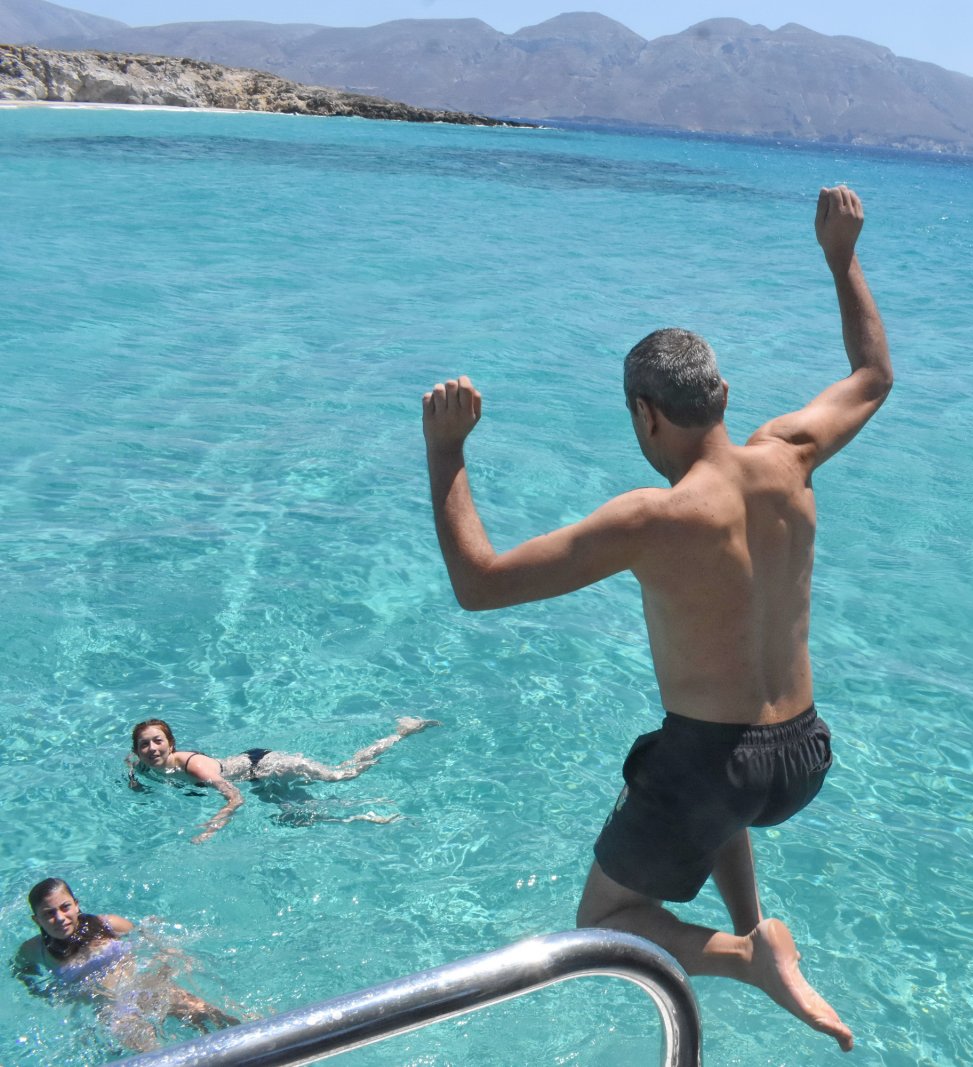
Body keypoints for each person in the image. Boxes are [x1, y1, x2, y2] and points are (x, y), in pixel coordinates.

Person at [421, 186, 890, 1051]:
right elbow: (873, 375)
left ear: (646, 413)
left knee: (604, 920)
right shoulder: (790, 456)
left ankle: (747, 956)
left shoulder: (653, 517)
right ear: (722, 393)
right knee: (689, 761)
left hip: (719, 766)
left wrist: (446, 452)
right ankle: (755, 925)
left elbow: (479, 584)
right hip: (802, 754)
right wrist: (841, 258)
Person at [14, 877, 239, 1052]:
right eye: (49, 913)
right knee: (157, 1057)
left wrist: (169, 957)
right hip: (113, 1013)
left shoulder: (108, 924)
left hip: (147, 987)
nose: (60, 918)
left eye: (65, 907)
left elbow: (147, 938)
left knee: (220, 1019)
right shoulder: (35, 950)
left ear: (76, 905)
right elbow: (21, 971)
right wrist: (46, 995)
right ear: (36, 920)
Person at [128, 716, 439, 842]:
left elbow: (235, 797)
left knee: (342, 774)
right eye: (144, 745)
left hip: (266, 764)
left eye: (158, 741)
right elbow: (130, 764)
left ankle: (401, 733)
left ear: (171, 743)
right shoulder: (143, 764)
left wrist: (212, 828)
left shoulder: (195, 767)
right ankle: (371, 815)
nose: (152, 748)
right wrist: (135, 784)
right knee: (298, 818)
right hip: (257, 780)